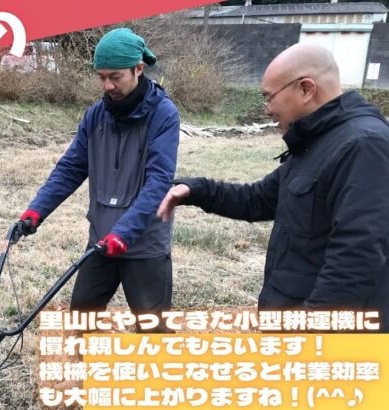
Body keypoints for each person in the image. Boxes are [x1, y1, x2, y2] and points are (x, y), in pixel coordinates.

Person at [157, 43, 389, 330]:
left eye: (269, 98)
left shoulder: (363, 145)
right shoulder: (317, 141)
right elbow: (258, 199)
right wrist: (196, 190)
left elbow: (357, 254)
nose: (266, 110)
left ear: (306, 89)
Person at [16, 28, 180, 327]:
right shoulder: (95, 116)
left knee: (153, 326)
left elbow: (159, 181)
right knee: (82, 315)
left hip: (143, 242)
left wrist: (125, 233)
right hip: (102, 240)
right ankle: (81, 373)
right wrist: (36, 210)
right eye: (101, 77)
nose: (107, 85)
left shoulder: (163, 114)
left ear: (138, 69)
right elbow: (70, 169)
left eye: (115, 77)